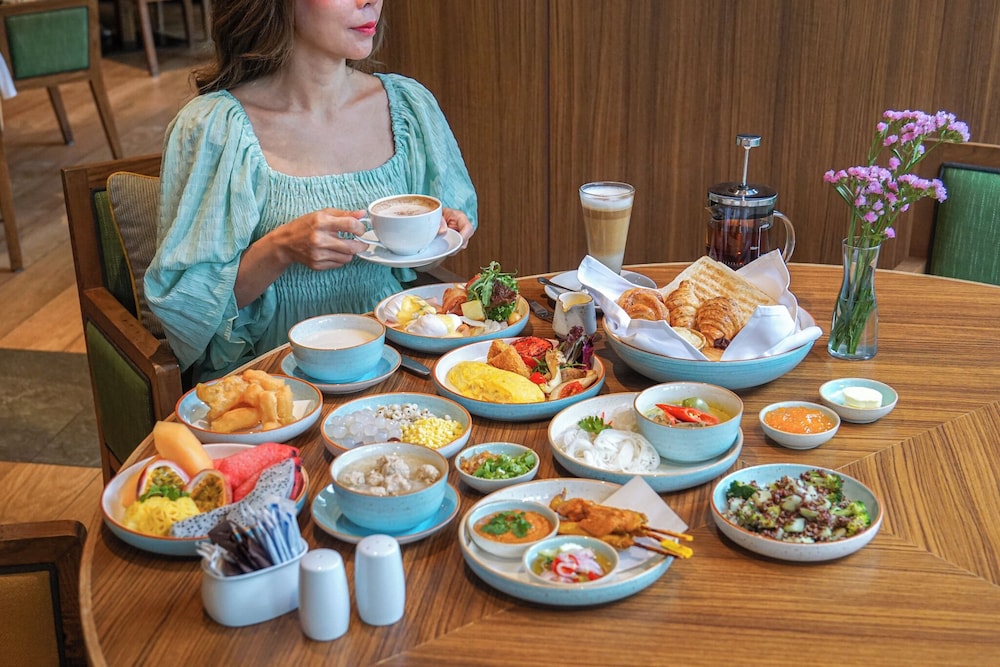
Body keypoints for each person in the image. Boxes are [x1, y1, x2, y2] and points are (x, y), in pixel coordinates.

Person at [144, 0, 477, 383]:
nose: (369, 1)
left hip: (393, 358)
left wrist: (438, 230)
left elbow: (422, 264)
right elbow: (187, 314)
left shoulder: (408, 106)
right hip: (271, 380)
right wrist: (281, 248)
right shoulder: (214, 128)